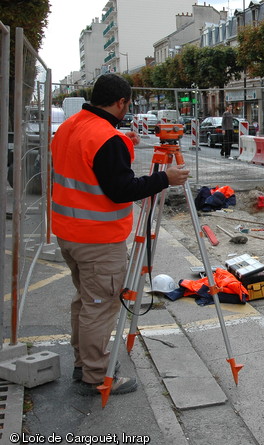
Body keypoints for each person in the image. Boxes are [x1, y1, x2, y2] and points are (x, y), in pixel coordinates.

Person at [51, 74, 190, 396]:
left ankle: (83, 362)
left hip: (67, 233)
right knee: (100, 307)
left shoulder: (71, 127)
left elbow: (87, 162)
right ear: (121, 102)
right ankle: (96, 377)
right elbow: (121, 190)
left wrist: (120, 141)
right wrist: (165, 178)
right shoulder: (106, 139)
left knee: (86, 302)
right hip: (96, 239)